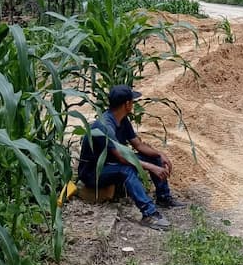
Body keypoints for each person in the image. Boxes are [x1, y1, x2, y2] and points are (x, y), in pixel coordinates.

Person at [77, 84, 186, 230]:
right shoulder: (104, 126)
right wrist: (152, 168)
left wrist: (159, 155)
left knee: (154, 158)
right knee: (126, 170)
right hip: (93, 173)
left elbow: (138, 145)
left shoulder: (122, 120)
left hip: (112, 163)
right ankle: (149, 214)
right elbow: (122, 158)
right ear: (127, 104)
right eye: (132, 101)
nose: (133, 104)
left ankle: (164, 198)